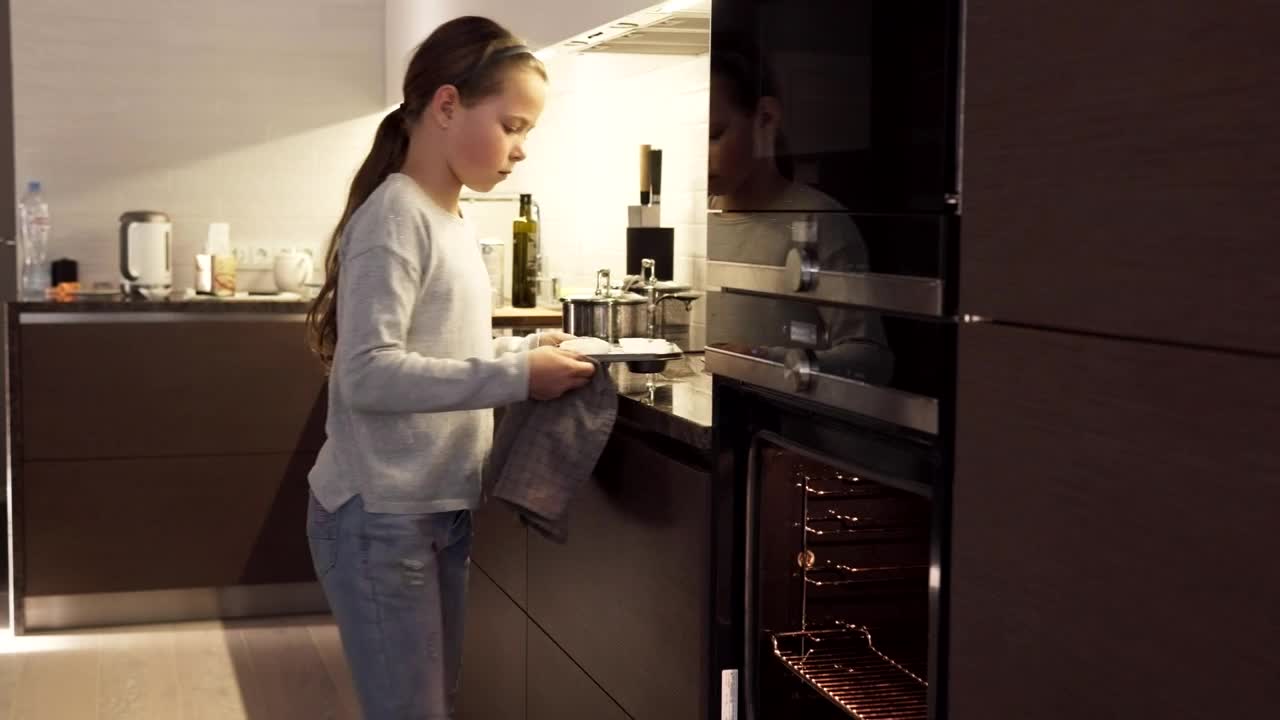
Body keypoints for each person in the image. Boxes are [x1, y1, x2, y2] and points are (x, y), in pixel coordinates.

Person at [302, 16, 594, 719]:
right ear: (446, 106)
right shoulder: (395, 217)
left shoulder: (451, 218)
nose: (521, 149)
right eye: (513, 126)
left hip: (432, 510)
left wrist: (522, 353)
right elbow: (368, 374)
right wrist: (516, 377)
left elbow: (437, 352)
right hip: (380, 517)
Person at [707, 43, 893, 384]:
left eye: (714, 135)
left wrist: (762, 359)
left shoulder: (819, 220)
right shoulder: (698, 220)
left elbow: (872, 361)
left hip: (783, 419)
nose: (699, 154)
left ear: (766, 118)